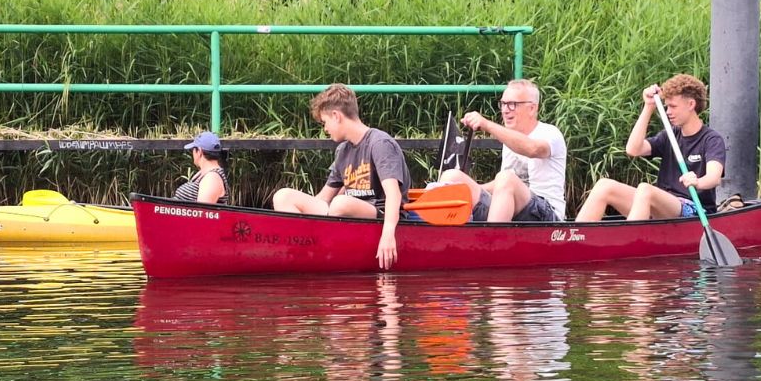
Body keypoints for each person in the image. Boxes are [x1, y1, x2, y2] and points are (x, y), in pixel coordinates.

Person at [272, 83, 411, 270]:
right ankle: (300, 249)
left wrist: (388, 234)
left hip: (380, 214)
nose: (325, 129)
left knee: (340, 203)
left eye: (325, 122)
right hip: (345, 211)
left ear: (336, 116)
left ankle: (312, 248)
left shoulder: (380, 143)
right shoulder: (342, 150)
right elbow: (323, 199)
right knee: (283, 195)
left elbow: (394, 195)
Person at [574, 73, 726, 222]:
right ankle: (577, 241)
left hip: (695, 210)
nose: (668, 112)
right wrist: (648, 107)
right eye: (666, 106)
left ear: (691, 104)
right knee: (604, 186)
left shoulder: (711, 139)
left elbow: (714, 178)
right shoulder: (669, 135)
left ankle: (630, 243)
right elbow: (633, 149)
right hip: (658, 206)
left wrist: (697, 182)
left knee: (645, 190)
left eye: (673, 106)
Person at [438, 78, 567, 223]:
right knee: (452, 178)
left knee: (505, 178)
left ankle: (493, 242)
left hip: (547, 217)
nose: (505, 110)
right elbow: (502, 186)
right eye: (503, 104)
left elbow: (533, 149)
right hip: (509, 209)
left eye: (512, 104)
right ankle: (444, 240)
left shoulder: (550, 133)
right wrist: (473, 188)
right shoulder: (509, 139)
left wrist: (486, 124)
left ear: (532, 108)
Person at [174, 131, 229, 204]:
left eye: (193, 149)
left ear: (199, 151)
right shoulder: (205, 174)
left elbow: (203, 212)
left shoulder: (212, 178)